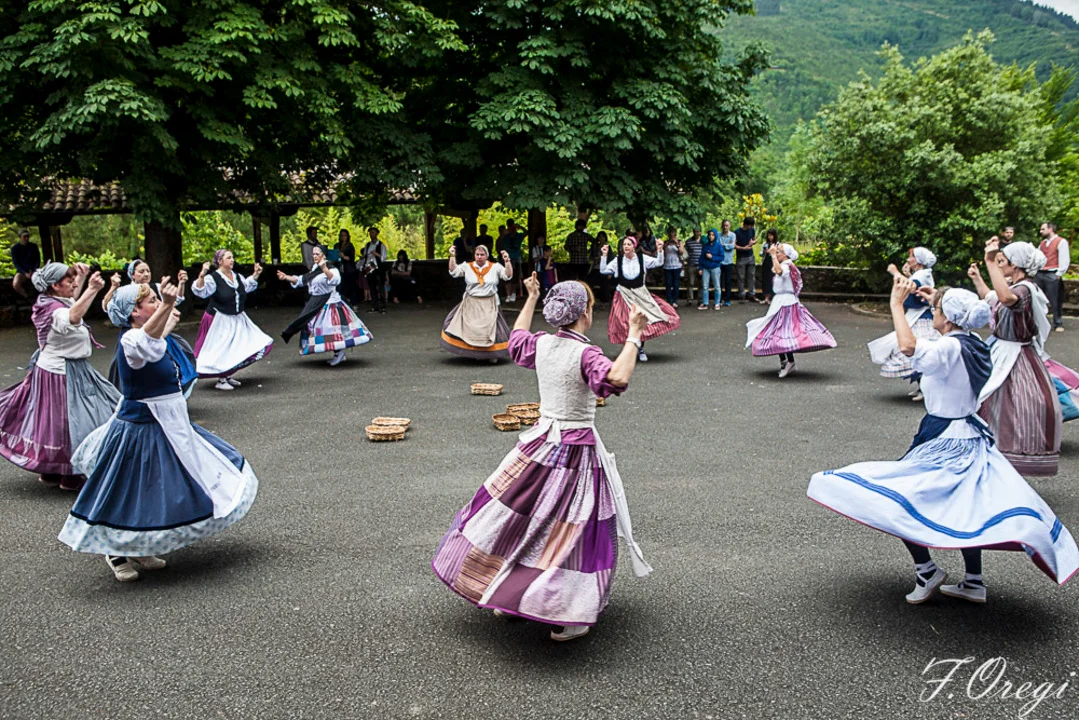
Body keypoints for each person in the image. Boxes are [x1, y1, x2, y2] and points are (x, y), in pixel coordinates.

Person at [808, 281, 1078, 604]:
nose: (933, 312)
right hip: (969, 434)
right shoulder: (974, 343)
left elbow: (909, 347)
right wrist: (935, 298)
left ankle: (927, 570)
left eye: (936, 309)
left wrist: (896, 305)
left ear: (948, 319)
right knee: (968, 506)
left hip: (944, 435)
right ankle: (973, 581)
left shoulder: (949, 348)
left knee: (903, 499)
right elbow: (940, 338)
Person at [432, 276, 652, 641]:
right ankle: (570, 612)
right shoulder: (586, 354)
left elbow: (516, 339)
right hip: (575, 453)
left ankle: (508, 593)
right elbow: (616, 378)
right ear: (585, 313)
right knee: (576, 529)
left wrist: (531, 297)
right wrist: (634, 335)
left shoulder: (543, 343)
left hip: (537, 448)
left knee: (521, 520)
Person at [60, 279, 258, 582]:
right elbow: (144, 345)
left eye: (156, 299)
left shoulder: (146, 338)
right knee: (129, 490)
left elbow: (153, 343)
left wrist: (166, 315)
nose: (156, 302)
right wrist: (166, 305)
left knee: (155, 489)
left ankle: (141, 545)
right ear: (134, 311)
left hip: (169, 423)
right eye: (150, 300)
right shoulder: (130, 340)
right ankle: (115, 552)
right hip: (140, 427)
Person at [0, 262, 119, 490]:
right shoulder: (51, 309)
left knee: (56, 423)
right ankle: (70, 473)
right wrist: (93, 289)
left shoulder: (54, 301)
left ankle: (52, 471)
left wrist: (82, 277)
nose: (74, 284)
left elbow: (73, 302)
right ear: (55, 285)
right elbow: (72, 316)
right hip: (61, 372)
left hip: (63, 369)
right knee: (72, 422)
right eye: (69, 280)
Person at [967, 239, 1062, 475]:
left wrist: (990, 261)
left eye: (1003, 261)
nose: (1000, 264)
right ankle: (987, 460)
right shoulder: (1015, 286)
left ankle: (1003, 463)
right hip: (1002, 351)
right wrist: (977, 278)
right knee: (990, 404)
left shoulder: (1024, 290)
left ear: (1016, 264)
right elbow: (993, 297)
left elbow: (1006, 298)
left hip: (1016, 356)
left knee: (1013, 408)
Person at [104, 259, 197, 398]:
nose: (146, 274)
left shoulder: (154, 287)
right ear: (132, 274)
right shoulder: (131, 338)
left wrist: (180, 285)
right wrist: (112, 287)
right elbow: (147, 344)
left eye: (148, 270)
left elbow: (175, 300)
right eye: (141, 271)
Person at [745, 243, 836, 377]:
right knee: (777, 332)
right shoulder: (785, 264)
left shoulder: (787, 266)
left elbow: (779, 271)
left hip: (786, 303)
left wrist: (772, 255)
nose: (777, 254)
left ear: (786, 255)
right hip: (780, 301)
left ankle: (788, 362)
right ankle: (786, 362)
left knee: (782, 332)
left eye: (779, 252)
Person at [191, 249, 273, 391]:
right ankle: (221, 380)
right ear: (220, 261)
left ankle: (227, 376)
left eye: (232, 257)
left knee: (237, 347)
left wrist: (256, 274)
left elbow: (246, 287)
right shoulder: (213, 278)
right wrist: (202, 275)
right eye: (229, 258)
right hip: (220, 319)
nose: (232, 260)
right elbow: (200, 291)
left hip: (237, 318)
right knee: (223, 349)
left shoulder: (237, 276)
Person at [277, 245, 372, 366]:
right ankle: (338, 353)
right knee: (313, 326)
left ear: (323, 255)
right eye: (313, 254)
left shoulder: (331, 268)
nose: (314, 256)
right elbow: (301, 280)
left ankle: (339, 353)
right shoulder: (314, 269)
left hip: (330, 303)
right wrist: (286, 277)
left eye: (317, 254)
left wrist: (325, 269)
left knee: (331, 329)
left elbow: (336, 280)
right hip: (316, 303)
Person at [867, 247, 940, 401]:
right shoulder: (920, 274)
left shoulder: (923, 274)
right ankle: (922, 387)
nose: (908, 260)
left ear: (918, 261)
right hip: (915, 316)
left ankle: (926, 389)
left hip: (922, 318)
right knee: (913, 352)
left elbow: (909, 286)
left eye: (911, 257)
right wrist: (906, 274)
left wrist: (895, 272)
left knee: (916, 352)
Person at [598, 236, 681, 362]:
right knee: (624, 323)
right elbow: (603, 270)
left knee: (643, 321)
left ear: (634, 246)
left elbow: (658, 263)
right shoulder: (618, 260)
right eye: (624, 244)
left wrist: (660, 250)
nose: (626, 246)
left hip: (640, 295)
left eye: (629, 244)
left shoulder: (642, 258)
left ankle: (640, 348)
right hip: (624, 295)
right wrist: (604, 256)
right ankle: (629, 350)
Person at [440, 245, 514, 362]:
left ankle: (492, 355)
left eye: (482, 255)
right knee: (472, 330)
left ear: (487, 256)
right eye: (477, 254)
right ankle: (475, 353)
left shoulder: (495, 267)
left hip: (490, 302)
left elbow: (508, 276)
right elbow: (454, 271)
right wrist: (452, 255)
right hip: (472, 302)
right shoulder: (467, 266)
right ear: (474, 255)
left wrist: (507, 261)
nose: (479, 257)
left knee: (491, 330)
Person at [1035, 222, 1069, 332]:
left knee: (1055, 300)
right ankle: (1038, 323)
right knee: (1038, 299)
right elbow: (1038, 258)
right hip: (1040, 272)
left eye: (1043, 229)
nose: (1041, 231)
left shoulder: (1061, 241)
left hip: (1052, 273)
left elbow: (1064, 258)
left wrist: (1059, 274)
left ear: (1050, 229)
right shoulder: (1042, 243)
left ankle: (1057, 323)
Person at [361, 227, 389, 314]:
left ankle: (383, 306)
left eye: (373, 232)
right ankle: (375, 306)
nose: (371, 234)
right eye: (370, 233)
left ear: (377, 233)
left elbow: (384, 258)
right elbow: (365, 256)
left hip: (378, 268)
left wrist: (376, 254)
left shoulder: (381, 245)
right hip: (369, 269)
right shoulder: (367, 245)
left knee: (380, 288)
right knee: (372, 288)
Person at [698, 228, 724, 310]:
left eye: (712, 235)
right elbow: (701, 257)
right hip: (705, 268)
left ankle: (717, 303)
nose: (711, 236)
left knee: (717, 286)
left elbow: (721, 257)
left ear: (715, 236)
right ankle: (705, 303)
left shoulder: (719, 246)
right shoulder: (705, 246)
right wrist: (700, 268)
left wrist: (712, 257)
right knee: (705, 286)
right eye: (709, 235)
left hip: (715, 267)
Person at [10, 228, 41, 298]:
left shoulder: (33, 246)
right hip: (22, 272)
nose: (26, 238)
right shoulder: (15, 248)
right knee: (15, 284)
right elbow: (16, 263)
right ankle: (27, 297)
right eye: (24, 237)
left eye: (27, 236)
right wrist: (24, 273)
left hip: (34, 271)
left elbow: (37, 260)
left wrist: (34, 270)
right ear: (20, 237)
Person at [501, 220, 526, 302]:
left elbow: (526, 232)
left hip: (516, 259)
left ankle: (513, 293)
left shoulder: (518, 236)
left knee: (515, 277)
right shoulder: (505, 236)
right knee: (507, 277)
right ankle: (508, 294)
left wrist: (520, 227)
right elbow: (500, 239)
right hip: (507, 259)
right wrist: (507, 231)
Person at [734, 217, 757, 302]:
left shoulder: (752, 230)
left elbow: (755, 239)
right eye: (750, 226)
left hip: (750, 256)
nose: (751, 227)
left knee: (751, 276)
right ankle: (742, 294)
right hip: (741, 257)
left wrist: (753, 242)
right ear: (746, 225)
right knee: (741, 277)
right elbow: (734, 245)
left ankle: (752, 294)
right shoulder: (737, 232)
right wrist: (743, 248)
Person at [334, 229, 359, 307]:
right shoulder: (337, 245)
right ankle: (342, 303)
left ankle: (353, 303)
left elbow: (351, 258)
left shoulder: (350, 246)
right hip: (339, 268)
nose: (343, 237)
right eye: (341, 235)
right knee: (341, 287)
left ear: (347, 236)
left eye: (344, 235)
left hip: (349, 269)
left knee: (351, 287)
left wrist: (343, 256)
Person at [661, 228, 684, 306]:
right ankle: (669, 300)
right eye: (670, 232)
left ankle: (675, 301)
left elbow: (681, 252)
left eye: (673, 232)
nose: (671, 234)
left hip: (677, 265)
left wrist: (677, 244)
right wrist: (667, 244)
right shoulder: (666, 242)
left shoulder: (679, 242)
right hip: (667, 266)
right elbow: (663, 252)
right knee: (668, 284)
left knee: (676, 284)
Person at [758, 229, 780, 304]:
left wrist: (773, 252)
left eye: (771, 235)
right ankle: (766, 297)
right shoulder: (765, 244)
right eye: (769, 235)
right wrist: (764, 252)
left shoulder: (777, 244)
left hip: (773, 263)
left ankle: (772, 297)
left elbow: (779, 254)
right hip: (766, 263)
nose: (770, 237)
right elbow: (760, 254)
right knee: (765, 280)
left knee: (772, 280)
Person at [590, 231, 612, 304]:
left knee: (604, 284)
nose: (601, 238)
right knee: (591, 282)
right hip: (596, 267)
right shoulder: (595, 247)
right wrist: (595, 258)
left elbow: (610, 258)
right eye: (600, 237)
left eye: (603, 237)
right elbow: (591, 256)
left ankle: (605, 299)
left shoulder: (607, 247)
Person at [683, 228, 703, 306]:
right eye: (694, 232)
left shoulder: (704, 241)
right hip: (691, 264)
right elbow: (685, 253)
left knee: (701, 284)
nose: (696, 233)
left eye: (697, 232)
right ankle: (690, 300)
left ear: (700, 232)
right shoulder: (689, 241)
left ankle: (700, 299)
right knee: (690, 283)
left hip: (701, 265)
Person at [718, 219, 736, 306]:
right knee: (719, 281)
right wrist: (727, 245)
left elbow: (732, 246)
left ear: (729, 226)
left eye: (727, 225)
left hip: (728, 261)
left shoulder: (732, 235)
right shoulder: (718, 235)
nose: (725, 227)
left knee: (728, 281)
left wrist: (724, 245)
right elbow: (717, 246)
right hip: (719, 261)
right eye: (724, 225)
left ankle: (727, 299)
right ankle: (720, 299)